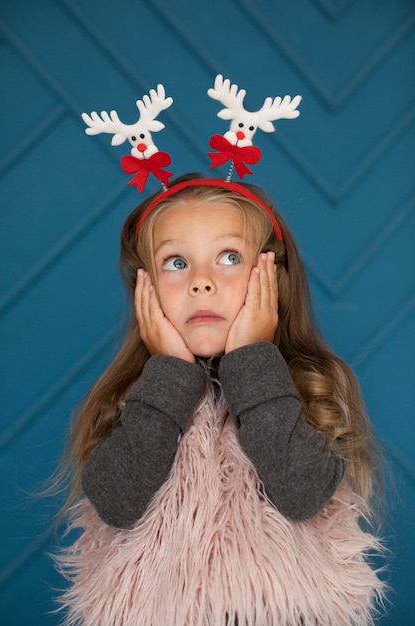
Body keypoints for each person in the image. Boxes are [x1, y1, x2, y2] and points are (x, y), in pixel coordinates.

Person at [56, 173, 385, 625]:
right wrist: (170, 374)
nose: (201, 282)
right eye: (176, 262)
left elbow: (302, 495)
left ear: (271, 275)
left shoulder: (314, 382)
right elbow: (116, 503)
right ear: (144, 287)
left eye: (229, 257)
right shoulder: (131, 393)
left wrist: (252, 360)